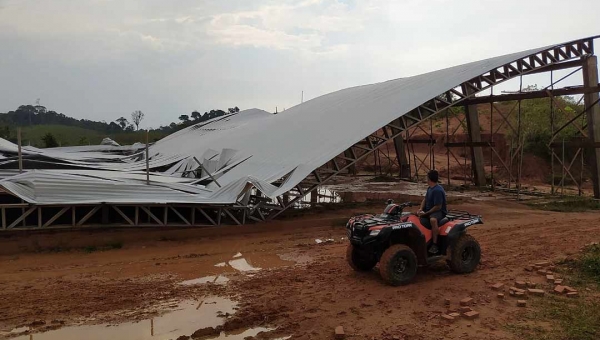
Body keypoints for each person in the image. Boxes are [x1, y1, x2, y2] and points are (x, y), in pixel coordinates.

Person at [417, 169, 447, 254]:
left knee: (433, 220)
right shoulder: (430, 188)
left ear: (429, 179)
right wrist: (420, 209)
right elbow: (425, 199)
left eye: (427, 177)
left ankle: (435, 244)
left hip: (439, 211)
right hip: (429, 210)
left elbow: (438, 206)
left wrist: (426, 213)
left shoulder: (437, 190)